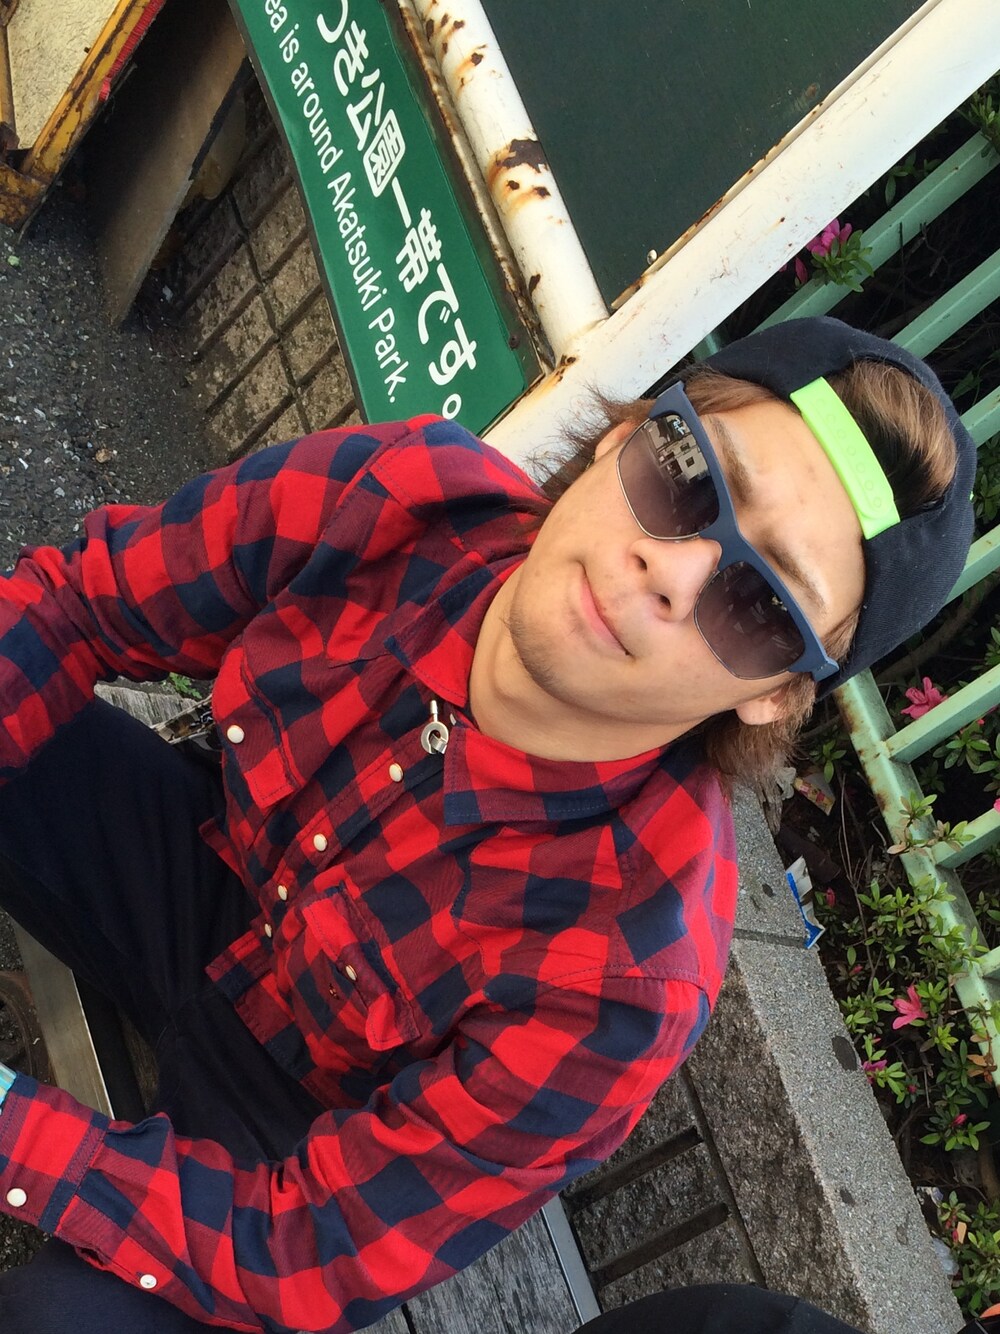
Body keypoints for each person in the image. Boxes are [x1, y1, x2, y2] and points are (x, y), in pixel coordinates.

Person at [0, 317, 976, 1332]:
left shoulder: (631, 974)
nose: (672, 572)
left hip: (290, 1119)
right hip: (200, 863)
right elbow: (79, 605)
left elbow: (313, 1247)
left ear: (771, 697)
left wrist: (14, 1129)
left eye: (760, 603)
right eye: (687, 474)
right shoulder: (406, 495)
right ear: (626, 433)